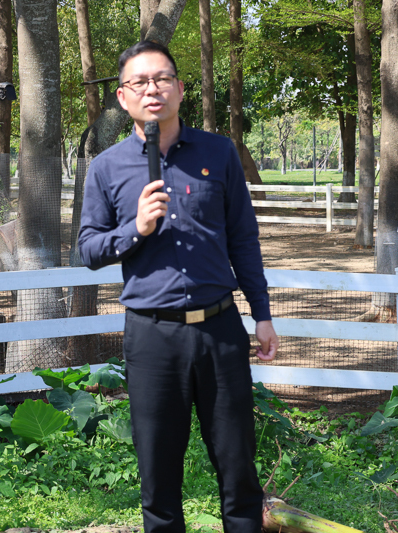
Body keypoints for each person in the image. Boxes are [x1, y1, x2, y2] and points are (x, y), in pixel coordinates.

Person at [78, 41, 279, 533]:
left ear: (180, 89)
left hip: (219, 330)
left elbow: (243, 239)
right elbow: (88, 249)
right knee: (158, 473)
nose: (152, 89)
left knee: (238, 466)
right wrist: (136, 229)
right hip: (151, 337)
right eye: (139, 82)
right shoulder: (106, 167)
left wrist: (262, 314)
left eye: (162, 78)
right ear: (123, 97)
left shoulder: (219, 152)